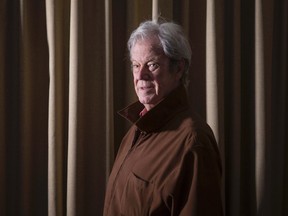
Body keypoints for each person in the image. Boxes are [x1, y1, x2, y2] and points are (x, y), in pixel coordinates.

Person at [103, 19, 223, 216]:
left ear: (178, 69)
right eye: (135, 65)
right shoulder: (137, 128)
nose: (140, 75)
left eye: (152, 65)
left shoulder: (193, 142)